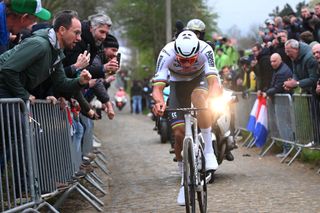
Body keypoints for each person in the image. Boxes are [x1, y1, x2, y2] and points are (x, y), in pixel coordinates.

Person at [152, 30, 221, 206]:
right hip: (176, 84)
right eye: (182, 60)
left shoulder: (206, 50)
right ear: (176, 54)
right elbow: (158, 88)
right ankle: (184, 179)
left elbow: (213, 82)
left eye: (191, 60)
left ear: (197, 53)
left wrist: (212, 98)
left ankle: (208, 150)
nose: (187, 64)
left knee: (201, 99)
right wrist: (160, 103)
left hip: (199, 81)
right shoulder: (166, 52)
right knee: (178, 134)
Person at [283, 39, 320, 146]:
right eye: (286, 51)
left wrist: (297, 84)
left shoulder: (309, 58)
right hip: (312, 92)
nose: (287, 54)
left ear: (296, 49)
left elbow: (313, 78)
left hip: (315, 91)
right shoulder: (295, 57)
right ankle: (317, 141)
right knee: (314, 117)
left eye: (288, 51)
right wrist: (293, 81)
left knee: (317, 117)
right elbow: (295, 72)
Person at [258, 53, 293, 157]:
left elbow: (278, 87)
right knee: (282, 124)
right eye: (271, 61)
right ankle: (287, 147)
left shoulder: (282, 71)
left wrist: (267, 93)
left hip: (283, 102)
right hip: (280, 101)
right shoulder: (279, 69)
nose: (272, 63)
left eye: (274, 61)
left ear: (280, 60)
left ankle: (288, 148)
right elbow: (274, 85)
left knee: (284, 125)